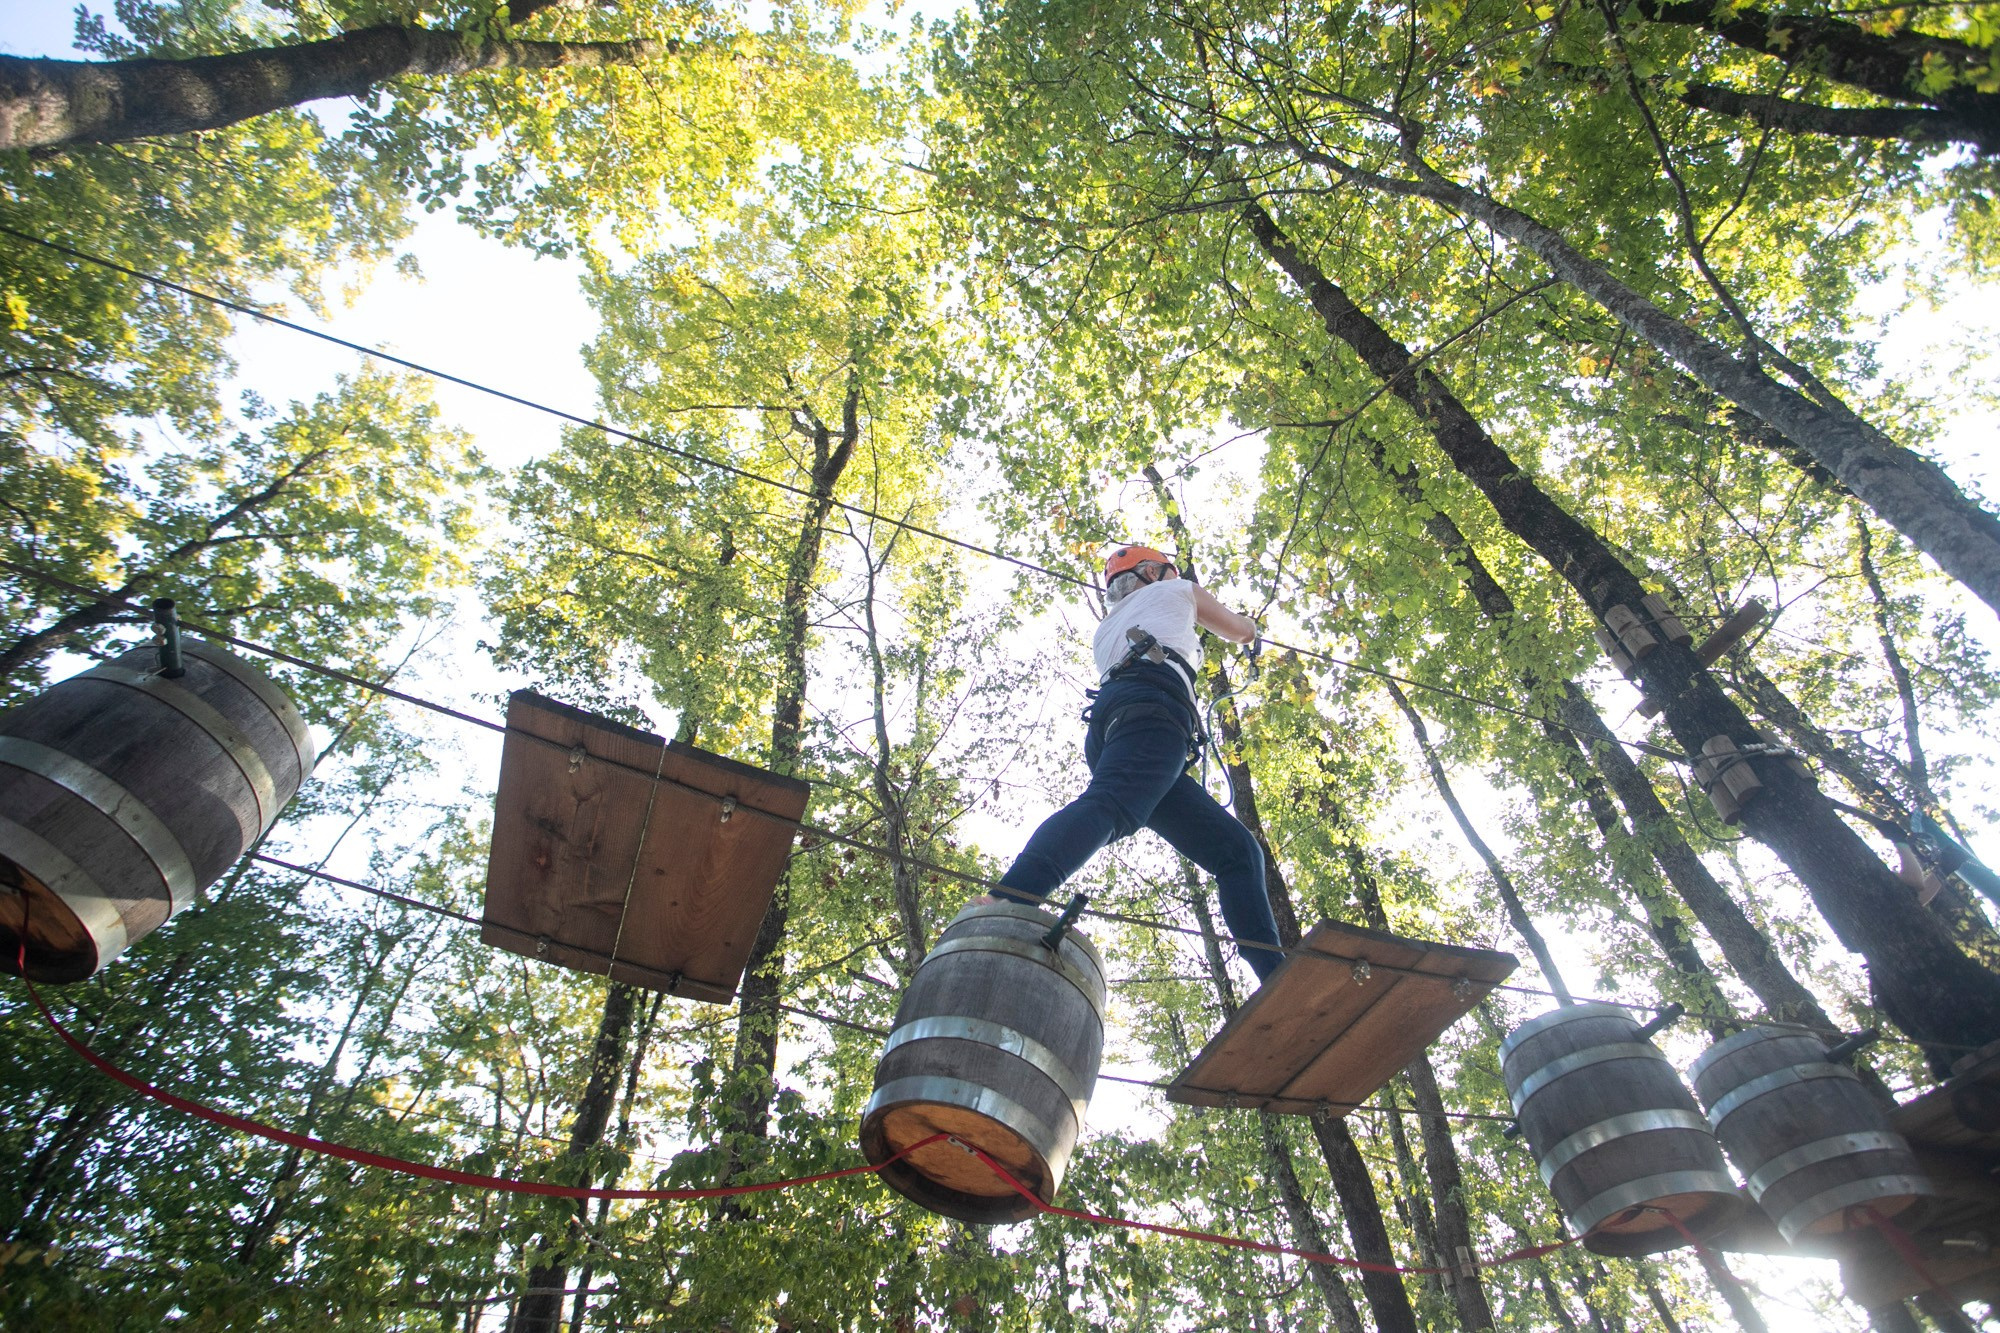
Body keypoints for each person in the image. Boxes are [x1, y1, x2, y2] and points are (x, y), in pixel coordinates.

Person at [979, 544, 1285, 983]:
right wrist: (1254, 630)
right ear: (1150, 572)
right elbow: (1237, 630)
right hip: (1153, 714)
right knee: (1112, 805)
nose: (1173, 575)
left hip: (1118, 725)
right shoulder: (1179, 591)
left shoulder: (1107, 629)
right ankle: (1008, 899)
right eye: (1167, 570)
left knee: (1237, 853)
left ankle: (1276, 978)